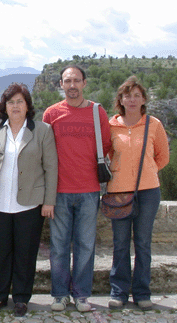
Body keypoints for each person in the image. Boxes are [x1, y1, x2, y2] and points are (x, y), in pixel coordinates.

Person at [0, 83, 57, 317]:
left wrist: (48, 201)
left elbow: (51, 168)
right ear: (5, 106)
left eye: (20, 101)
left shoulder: (42, 130)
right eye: (11, 102)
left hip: (30, 204)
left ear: (27, 105)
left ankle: (21, 298)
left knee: (25, 253)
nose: (15, 106)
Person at [43, 65, 112, 312]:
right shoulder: (51, 114)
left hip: (89, 189)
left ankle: (81, 294)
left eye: (76, 80)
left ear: (84, 83)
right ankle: (60, 294)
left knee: (85, 245)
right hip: (59, 191)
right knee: (59, 246)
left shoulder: (97, 112)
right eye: (67, 81)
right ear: (60, 84)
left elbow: (105, 146)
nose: (72, 85)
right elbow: (44, 151)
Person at [107, 76, 169, 311]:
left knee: (143, 243)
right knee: (120, 243)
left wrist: (147, 173)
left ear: (143, 99)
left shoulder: (154, 124)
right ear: (120, 99)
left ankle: (142, 292)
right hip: (119, 191)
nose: (131, 100)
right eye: (127, 95)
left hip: (148, 192)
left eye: (136, 95)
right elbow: (106, 154)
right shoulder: (111, 125)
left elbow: (163, 156)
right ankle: (119, 292)